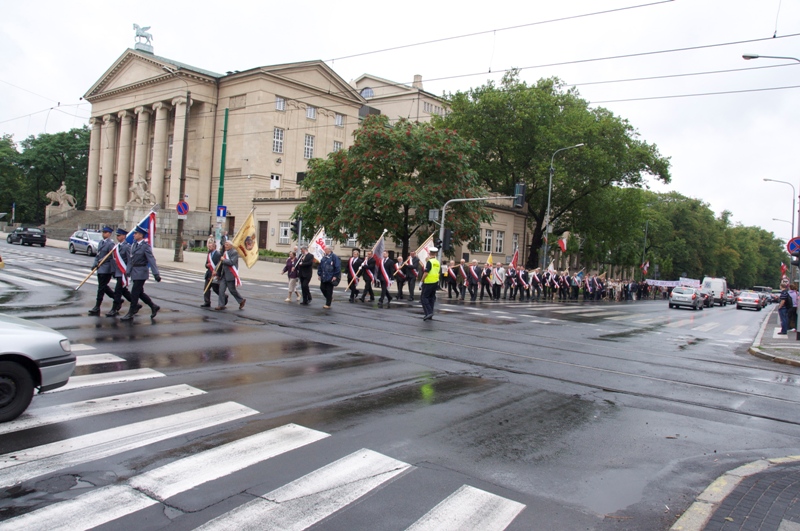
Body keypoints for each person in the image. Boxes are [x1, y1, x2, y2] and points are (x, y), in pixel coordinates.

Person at [120, 226, 161, 321]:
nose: (134, 235)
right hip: (134, 272)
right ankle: (153, 306)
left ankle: (131, 312)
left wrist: (156, 274)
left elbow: (151, 260)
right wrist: (128, 271)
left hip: (141, 272)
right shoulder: (134, 245)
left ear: (141, 235)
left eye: (136, 233)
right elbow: (131, 260)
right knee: (140, 293)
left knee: (134, 293)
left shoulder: (145, 246)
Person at [106, 228, 135, 317]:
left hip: (123, 272)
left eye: (119, 235)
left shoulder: (127, 247)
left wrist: (127, 271)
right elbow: (114, 260)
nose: (117, 237)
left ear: (124, 236)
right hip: (118, 271)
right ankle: (135, 304)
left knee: (118, 290)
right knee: (123, 291)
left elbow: (130, 260)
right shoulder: (117, 246)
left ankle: (114, 308)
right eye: (117, 236)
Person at [88, 226, 117, 315]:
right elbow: (98, 255)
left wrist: (112, 270)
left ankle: (97, 306)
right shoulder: (101, 242)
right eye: (103, 232)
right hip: (100, 268)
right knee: (103, 287)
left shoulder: (111, 244)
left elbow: (112, 257)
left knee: (101, 288)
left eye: (105, 232)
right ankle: (117, 299)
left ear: (109, 234)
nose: (103, 234)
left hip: (106, 268)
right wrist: (95, 264)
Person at [217, 240, 246, 310]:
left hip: (231, 274)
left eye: (227, 245)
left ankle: (241, 300)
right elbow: (220, 263)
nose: (225, 246)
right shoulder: (225, 252)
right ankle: (221, 305)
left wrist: (223, 260)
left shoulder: (234, 252)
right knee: (221, 290)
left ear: (231, 246)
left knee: (232, 290)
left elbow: (231, 262)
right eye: (225, 244)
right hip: (224, 274)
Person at [202, 240, 225, 308]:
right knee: (206, 288)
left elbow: (220, 265)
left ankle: (225, 297)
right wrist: (207, 265)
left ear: (214, 247)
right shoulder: (209, 254)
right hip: (209, 274)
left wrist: (217, 274)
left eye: (210, 246)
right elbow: (206, 264)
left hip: (215, 274)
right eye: (209, 247)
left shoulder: (218, 254)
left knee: (216, 289)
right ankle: (207, 302)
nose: (209, 248)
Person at [420, 247, 440, 320]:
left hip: (428, 281)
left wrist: (421, 281)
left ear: (429, 253)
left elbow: (426, 273)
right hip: (435, 281)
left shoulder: (429, 262)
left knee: (424, 297)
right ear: (435, 254)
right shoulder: (437, 262)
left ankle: (428, 312)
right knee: (431, 298)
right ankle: (430, 313)